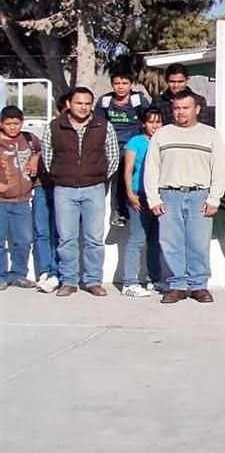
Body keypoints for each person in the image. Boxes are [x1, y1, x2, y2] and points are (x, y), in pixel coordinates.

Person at [144, 90, 225, 304]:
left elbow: (220, 168)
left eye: (185, 108)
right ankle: (177, 286)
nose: (180, 112)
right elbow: (152, 168)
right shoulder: (162, 134)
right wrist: (153, 198)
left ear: (197, 109)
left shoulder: (211, 135)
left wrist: (214, 198)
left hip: (199, 195)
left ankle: (199, 286)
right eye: (176, 108)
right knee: (171, 243)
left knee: (198, 244)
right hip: (169, 195)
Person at [42, 87, 119, 297]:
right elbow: (48, 158)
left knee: (94, 238)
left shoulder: (103, 126)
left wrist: (98, 178)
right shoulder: (55, 127)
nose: (83, 107)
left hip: (94, 189)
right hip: (64, 190)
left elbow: (113, 158)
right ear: (69, 104)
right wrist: (62, 176)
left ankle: (93, 280)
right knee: (66, 238)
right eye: (79, 103)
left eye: (87, 103)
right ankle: (69, 281)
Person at [119, 107, 164, 297]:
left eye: (158, 121)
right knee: (138, 239)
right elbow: (128, 170)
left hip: (159, 195)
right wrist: (130, 193)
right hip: (139, 193)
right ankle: (129, 282)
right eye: (151, 121)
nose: (155, 125)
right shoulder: (135, 142)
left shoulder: (164, 141)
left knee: (155, 240)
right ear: (143, 123)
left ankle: (154, 279)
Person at [95, 67, 148, 227]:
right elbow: (98, 124)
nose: (120, 86)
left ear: (131, 84)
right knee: (114, 175)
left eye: (125, 83)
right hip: (112, 145)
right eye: (117, 83)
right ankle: (116, 212)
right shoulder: (105, 101)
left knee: (132, 173)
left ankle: (132, 209)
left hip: (134, 145)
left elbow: (149, 119)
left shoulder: (138, 101)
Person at [0, 106, 40, 290]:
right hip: (1, 201)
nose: (13, 127)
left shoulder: (29, 139)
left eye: (16, 123)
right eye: (8, 124)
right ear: (1, 124)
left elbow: (43, 151)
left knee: (23, 240)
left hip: (23, 200)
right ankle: (1, 276)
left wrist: (35, 158)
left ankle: (18, 274)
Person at [33, 93, 68, 294]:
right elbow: (38, 150)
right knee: (42, 232)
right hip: (43, 186)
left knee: (61, 232)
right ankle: (45, 271)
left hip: (64, 187)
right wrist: (35, 156)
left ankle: (59, 272)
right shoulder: (51, 129)